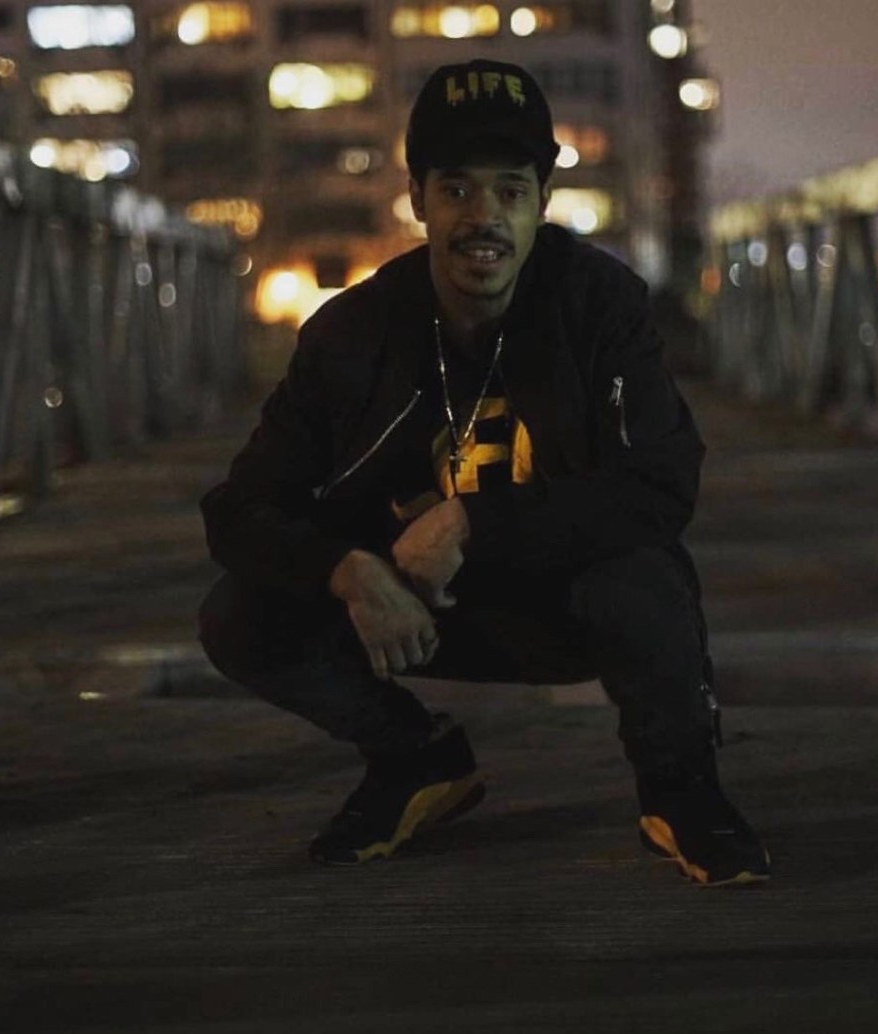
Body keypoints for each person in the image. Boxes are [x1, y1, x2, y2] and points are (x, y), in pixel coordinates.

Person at [198, 59, 770, 886]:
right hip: (414, 609)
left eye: (510, 190)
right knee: (240, 613)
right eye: (457, 190)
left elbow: (661, 482)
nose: (484, 218)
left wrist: (473, 522)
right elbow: (237, 510)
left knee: (644, 580)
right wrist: (348, 571)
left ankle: (681, 791)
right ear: (418, 198)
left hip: (564, 600)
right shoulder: (351, 334)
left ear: (543, 200)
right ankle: (415, 762)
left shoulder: (600, 305)